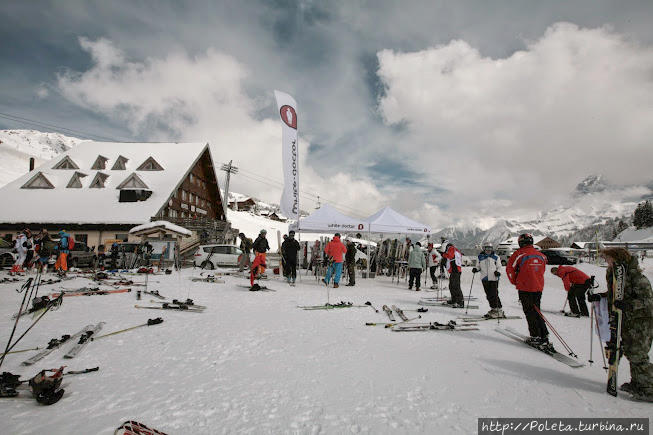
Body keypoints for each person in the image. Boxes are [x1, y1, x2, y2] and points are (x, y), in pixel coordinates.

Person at [601, 248, 653, 401]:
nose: (605, 261)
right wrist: (601, 296)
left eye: (607, 258)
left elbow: (648, 302)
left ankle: (649, 388)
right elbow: (617, 295)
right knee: (629, 351)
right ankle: (638, 382)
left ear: (616, 258)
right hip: (624, 320)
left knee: (638, 354)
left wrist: (629, 305)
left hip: (640, 322)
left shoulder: (636, 277)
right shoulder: (615, 275)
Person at [506, 233, 551, 350]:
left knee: (529, 312)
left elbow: (510, 270)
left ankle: (535, 336)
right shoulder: (541, 255)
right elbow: (542, 270)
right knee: (537, 310)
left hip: (525, 288)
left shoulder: (519, 254)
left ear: (521, 242)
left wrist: (516, 282)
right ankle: (544, 336)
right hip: (538, 287)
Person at [475, 243, 504, 318]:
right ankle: (493, 309)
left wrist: (498, 272)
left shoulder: (496, 257)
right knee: (488, 295)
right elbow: (478, 266)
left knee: (494, 294)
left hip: (494, 278)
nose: (488, 250)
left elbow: (499, 267)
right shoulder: (480, 257)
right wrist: (476, 269)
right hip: (484, 278)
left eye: (490, 248)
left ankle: (499, 310)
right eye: (487, 248)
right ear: (484, 249)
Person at [441, 240, 464, 307]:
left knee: (455, 286)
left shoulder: (451, 248)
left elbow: (450, 256)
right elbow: (451, 259)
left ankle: (460, 302)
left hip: (456, 270)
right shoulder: (454, 250)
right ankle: (454, 299)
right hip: (454, 270)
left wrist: (443, 255)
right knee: (451, 286)